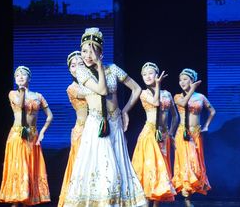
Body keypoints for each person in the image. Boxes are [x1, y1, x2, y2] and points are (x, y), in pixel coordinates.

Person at [69, 27, 146, 207]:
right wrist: (99, 68)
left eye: (92, 50)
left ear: (100, 51)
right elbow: (102, 90)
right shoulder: (82, 72)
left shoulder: (113, 69)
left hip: (114, 123)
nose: (88, 55)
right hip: (96, 125)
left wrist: (125, 110)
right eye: (84, 50)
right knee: (103, 168)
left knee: (118, 166)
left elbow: (137, 89)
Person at [0, 66, 52, 206]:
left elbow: (50, 116)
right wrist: (21, 90)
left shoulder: (38, 96)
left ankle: (30, 196)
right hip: (18, 134)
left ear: (29, 78)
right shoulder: (12, 94)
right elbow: (21, 105)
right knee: (19, 165)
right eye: (17, 75)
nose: (20, 77)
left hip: (32, 135)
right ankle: (17, 198)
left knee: (31, 165)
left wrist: (42, 133)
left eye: (23, 74)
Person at [132, 62, 177, 206]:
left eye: (150, 73)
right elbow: (156, 102)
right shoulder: (144, 93)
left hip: (163, 137)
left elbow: (175, 116)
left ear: (157, 75)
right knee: (150, 168)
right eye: (144, 74)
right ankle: (144, 202)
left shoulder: (167, 94)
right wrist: (157, 85)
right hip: (149, 135)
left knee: (160, 171)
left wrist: (170, 133)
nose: (147, 76)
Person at [172, 68, 216, 207]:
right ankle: (187, 200)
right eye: (180, 79)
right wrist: (192, 89)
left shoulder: (200, 97)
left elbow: (212, 111)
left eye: (185, 79)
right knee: (186, 164)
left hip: (196, 134)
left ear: (192, 80)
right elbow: (184, 103)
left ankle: (189, 195)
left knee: (195, 165)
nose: (182, 82)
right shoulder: (177, 96)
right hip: (183, 135)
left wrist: (207, 126)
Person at [58, 51, 89, 207]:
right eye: (73, 65)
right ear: (70, 70)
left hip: (96, 131)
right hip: (82, 132)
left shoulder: (91, 82)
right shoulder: (72, 88)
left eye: (81, 64)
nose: (77, 68)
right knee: (80, 170)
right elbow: (92, 93)